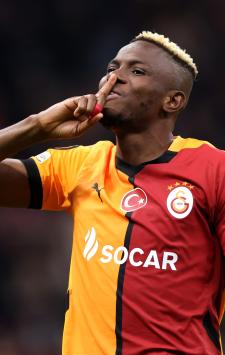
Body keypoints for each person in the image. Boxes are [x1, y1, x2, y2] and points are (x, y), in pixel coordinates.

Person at [0, 30, 224, 355]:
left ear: (172, 100)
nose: (115, 77)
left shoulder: (213, 171)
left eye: (137, 71)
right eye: (112, 67)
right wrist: (37, 127)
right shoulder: (81, 165)